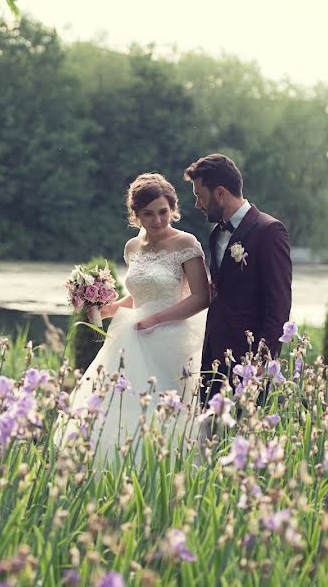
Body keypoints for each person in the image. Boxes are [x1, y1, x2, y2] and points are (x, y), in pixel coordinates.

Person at [59, 173, 210, 460]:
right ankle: (115, 463)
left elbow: (202, 297)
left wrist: (156, 320)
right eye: (148, 214)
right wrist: (110, 308)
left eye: (163, 211)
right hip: (132, 333)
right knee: (119, 401)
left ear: (173, 208)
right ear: (136, 215)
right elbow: (139, 296)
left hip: (171, 335)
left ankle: (167, 465)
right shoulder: (132, 248)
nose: (157, 220)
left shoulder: (186, 244)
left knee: (165, 405)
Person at [183, 154, 292, 407]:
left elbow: (278, 307)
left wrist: (260, 368)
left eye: (200, 195)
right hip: (213, 360)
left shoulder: (269, 231)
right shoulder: (215, 235)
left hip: (247, 367)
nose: (197, 203)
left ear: (220, 193)